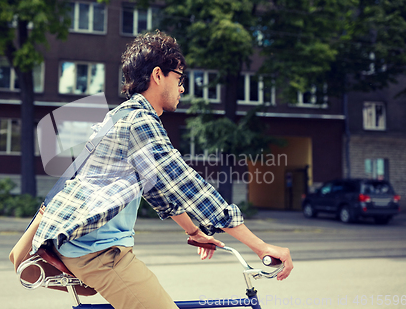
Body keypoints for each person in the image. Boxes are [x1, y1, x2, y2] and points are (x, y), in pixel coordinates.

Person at [31, 31, 293, 309]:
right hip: (97, 253)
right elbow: (187, 185)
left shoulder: (120, 115)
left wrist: (193, 231)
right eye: (179, 79)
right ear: (158, 75)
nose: (182, 88)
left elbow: (157, 188)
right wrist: (261, 247)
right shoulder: (140, 122)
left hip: (85, 244)